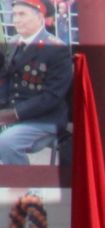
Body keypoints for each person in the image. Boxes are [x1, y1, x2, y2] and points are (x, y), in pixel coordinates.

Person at [0, 1, 70, 166]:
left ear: (39, 17)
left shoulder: (56, 48)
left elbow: (52, 96)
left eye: (22, 14)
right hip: (11, 114)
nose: (16, 20)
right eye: (14, 14)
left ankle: (22, 188)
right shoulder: (13, 42)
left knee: (6, 143)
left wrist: (14, 114)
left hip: (43, 119)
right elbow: (4, 80)